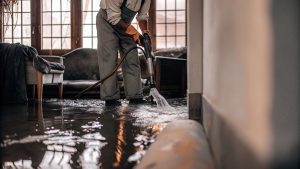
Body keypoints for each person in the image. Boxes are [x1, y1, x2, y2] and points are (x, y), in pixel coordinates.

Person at [97, 0, 151, 106]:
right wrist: (133, 32)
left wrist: (145, 33)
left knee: (132, 57)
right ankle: (110, 98)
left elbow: (142, 16)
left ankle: (135, 96)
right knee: (109, 59)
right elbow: (114, 17)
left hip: (125, 24)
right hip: (107, 21)